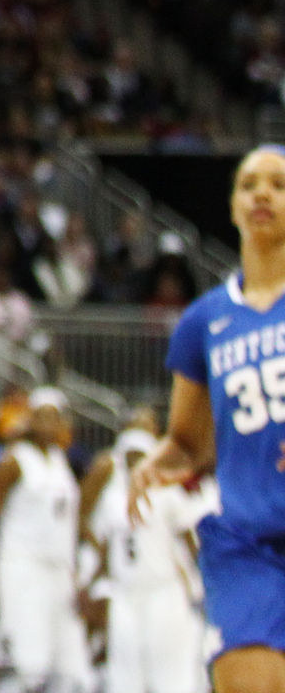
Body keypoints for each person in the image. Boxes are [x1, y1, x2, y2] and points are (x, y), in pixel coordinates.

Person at [132, 145, 285, 693]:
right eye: (249, 185)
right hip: (248, 542)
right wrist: (159, 461)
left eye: (278, 184)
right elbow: (189, 441)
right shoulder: (204, 321)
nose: (263, 194)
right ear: (232, 206)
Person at [0, 388, 89, 693]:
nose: (49, 425)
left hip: (58, 573)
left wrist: (76, 574)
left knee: (67, 666)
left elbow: (68, 524)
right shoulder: (14, 461)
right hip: (22, 570)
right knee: (25, 665)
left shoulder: (60, 460)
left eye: (56, 417)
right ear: (30, 419)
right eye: (42, 417)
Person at [86, 425, 212, 693]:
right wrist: (93, 584)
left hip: (163, 592)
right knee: (125, 671)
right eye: (128, 456)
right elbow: (108, 550)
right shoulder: (112, 500)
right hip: (126, 594)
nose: (133, 463)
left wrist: (202, 582)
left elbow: (189, 543)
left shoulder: (168, 495)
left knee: (170, 671)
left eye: (139, 456)